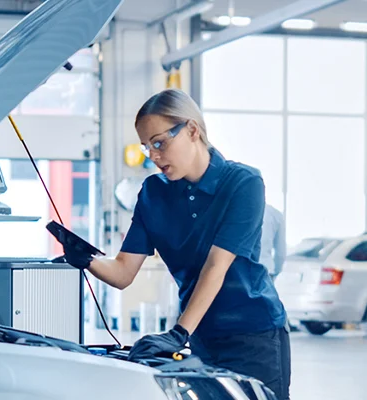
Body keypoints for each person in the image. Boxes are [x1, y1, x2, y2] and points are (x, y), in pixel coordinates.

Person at [50, 89, 292, 399]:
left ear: (192, 130)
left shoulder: (243, 183)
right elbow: (123, 272)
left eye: (159, 143)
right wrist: (86, 258)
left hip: (255, 334)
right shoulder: (153, 192)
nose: (152, 155)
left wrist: (178, 333)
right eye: (146, 146)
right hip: (202, 336)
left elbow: (217, 266)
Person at [260, 205, 286, 279]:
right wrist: (275, 272)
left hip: (238, 273)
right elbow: (281, 253)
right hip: (265, 271)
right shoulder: (275, 214)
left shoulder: (238, 209)